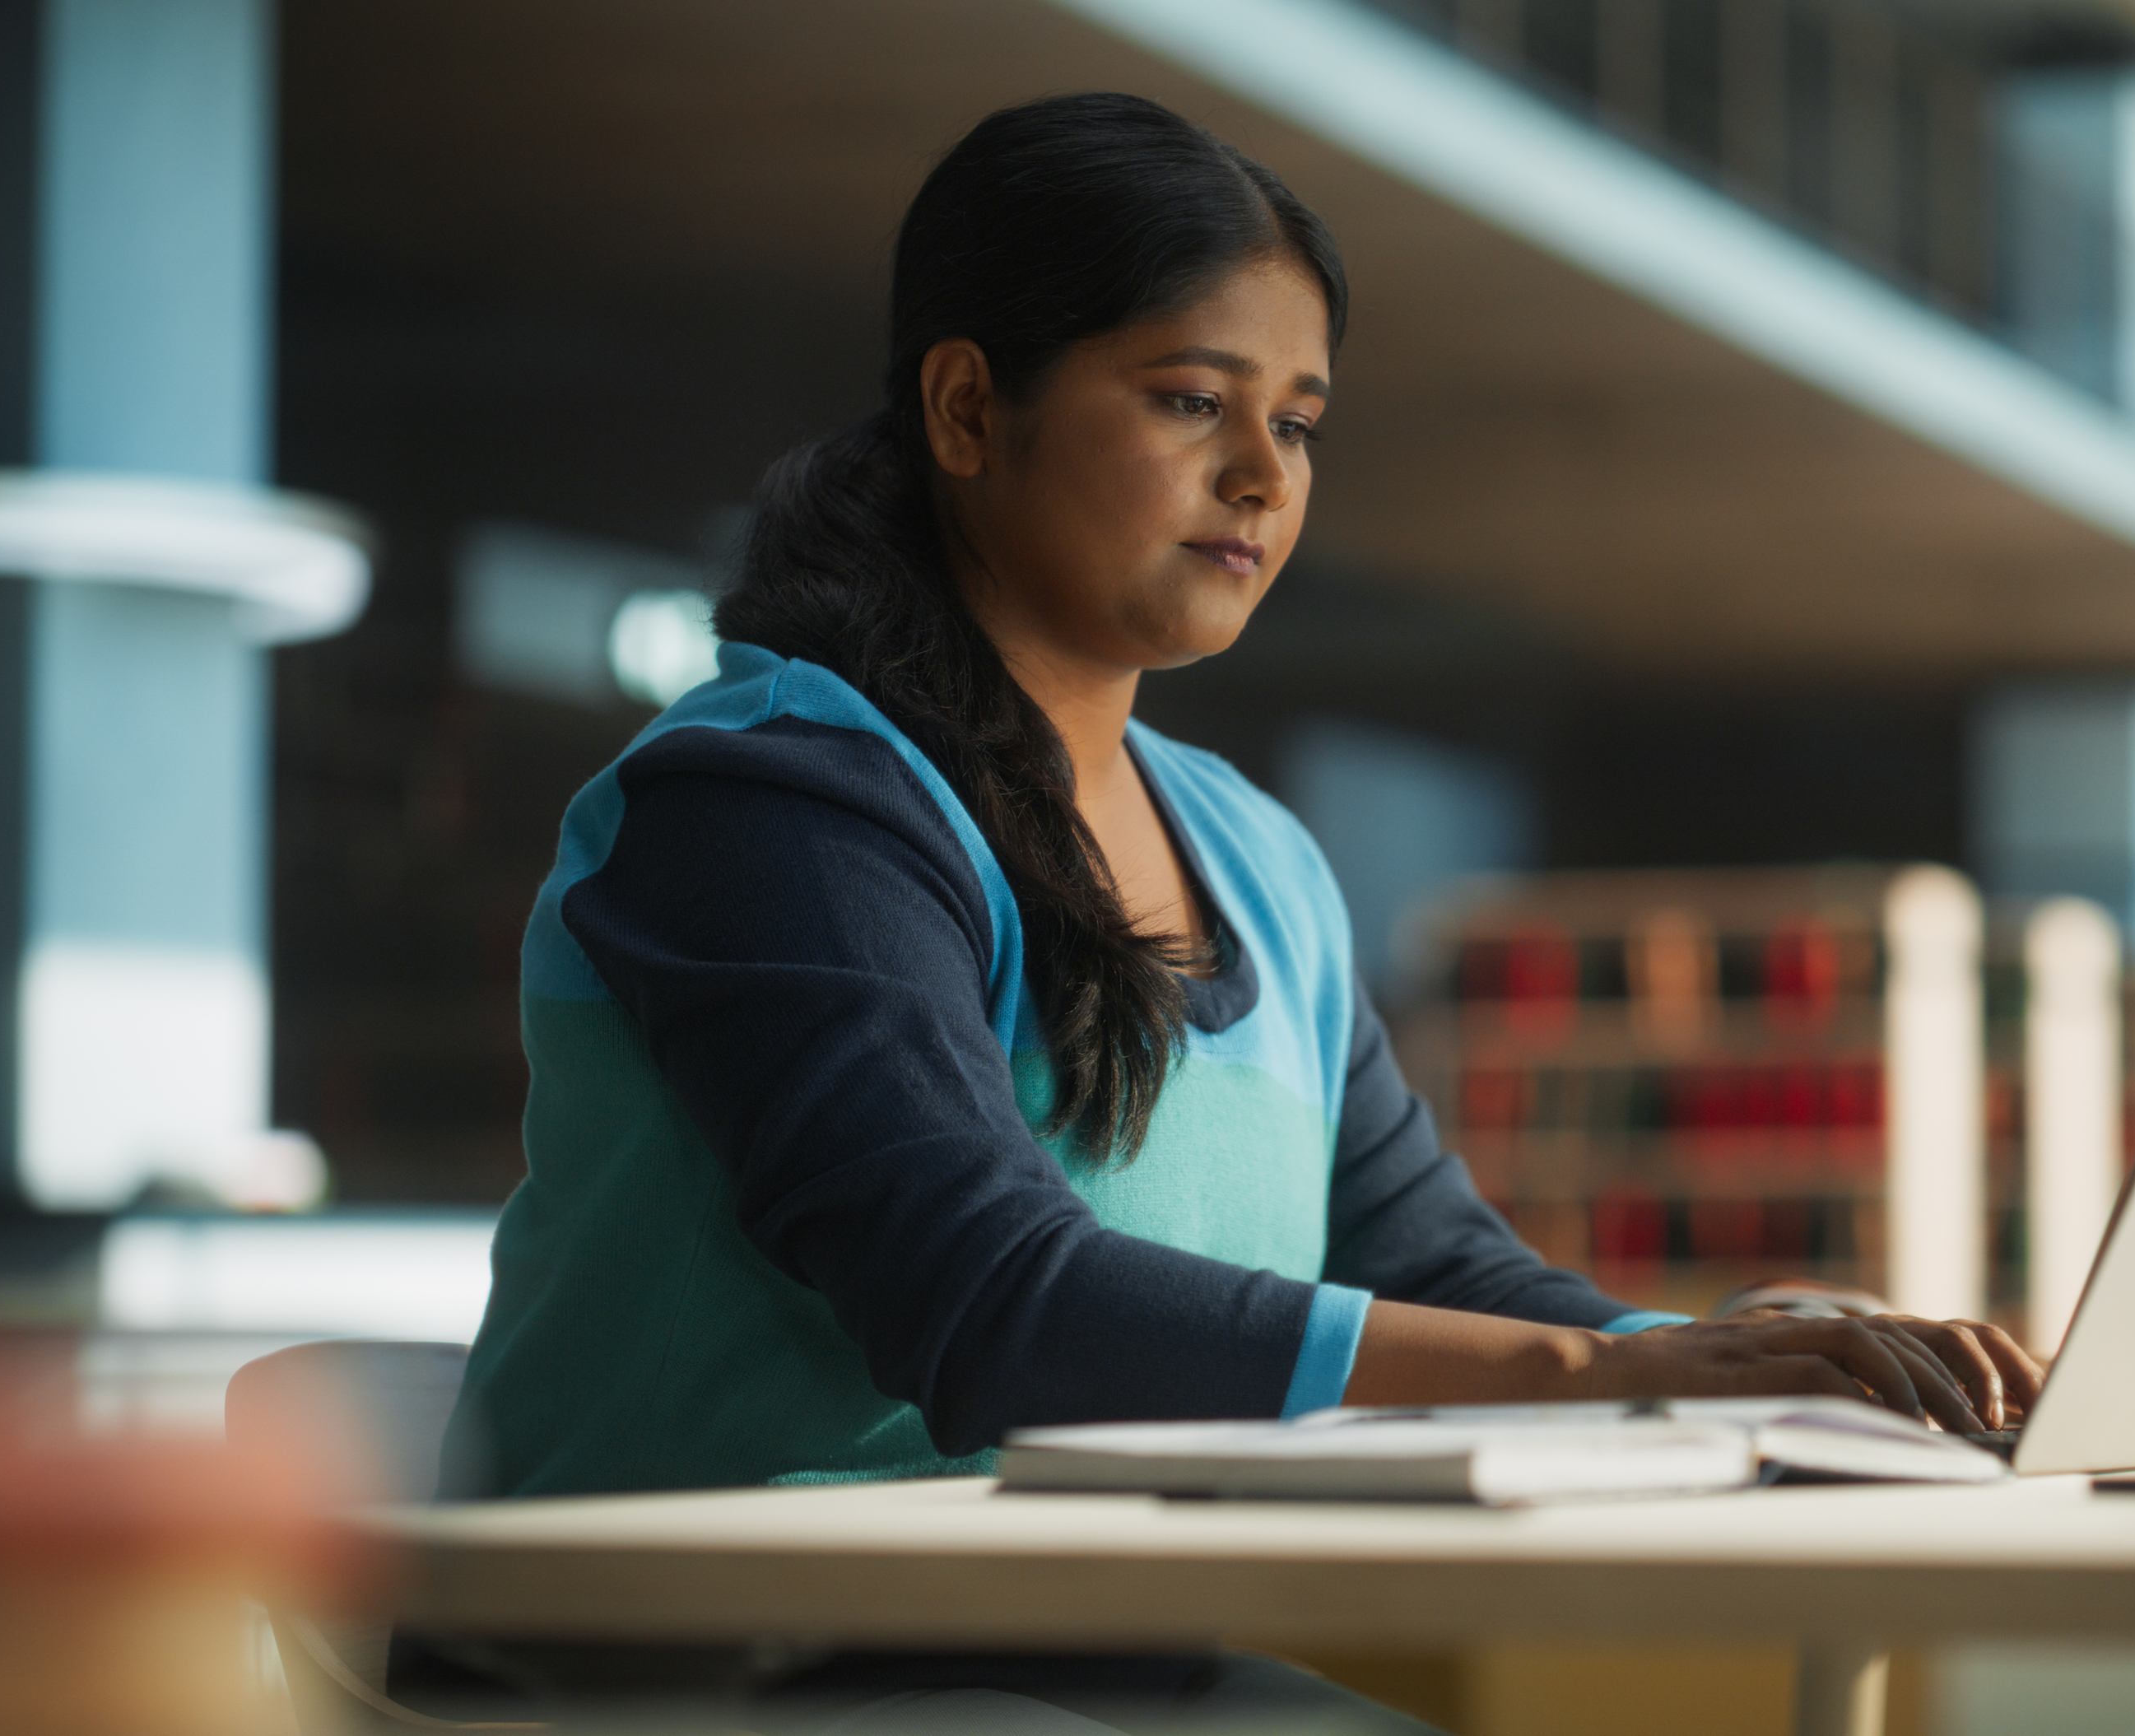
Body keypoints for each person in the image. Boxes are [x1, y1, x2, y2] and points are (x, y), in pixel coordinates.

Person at [422, 91, 2043, 1732]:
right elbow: (984, 1299)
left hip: (1082, 1653)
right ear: (971, 408)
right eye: (1193, 400)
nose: (1261, 475)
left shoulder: (1254, 851)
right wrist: (1601, 1372)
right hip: (700, 1663)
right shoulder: (770, 802)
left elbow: (1421, 1256)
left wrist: (1757, 1366)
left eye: (1303, 421)